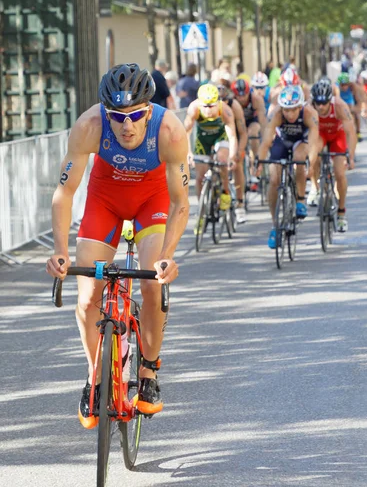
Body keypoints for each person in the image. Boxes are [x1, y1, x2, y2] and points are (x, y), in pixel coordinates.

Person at [46, 63, 190, 428]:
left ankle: (149, 371)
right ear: (104, 112)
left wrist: (168, 257)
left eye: (136, 115)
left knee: (152, 283)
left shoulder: (170, 130)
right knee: (86, 297)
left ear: (149, 109)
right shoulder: (89, 126)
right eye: (117, 116)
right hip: (105, 201)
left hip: (151, 201)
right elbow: (64, 193)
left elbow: (180, 203)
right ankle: (96, 375)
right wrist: (60, 250)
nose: (127, 125)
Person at [257, 85, 319, 249]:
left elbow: (313, 144)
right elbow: (266, 141)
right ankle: (275, 225)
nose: (290, 114)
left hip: (302, 140)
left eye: (293, 110)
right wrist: (259, 162)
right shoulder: (277, 114)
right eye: (286, 110)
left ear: (300, 106)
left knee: (299, 158)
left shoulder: (309, 113)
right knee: (274, 179)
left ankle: (300, 200)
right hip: (282, 140)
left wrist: (311, 164)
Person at [308, 78, 357, 232]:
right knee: (313, 155)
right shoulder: (309, 108)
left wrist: (351, 156)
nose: (321, 107)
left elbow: (351, 133)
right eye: (318, 103)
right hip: (320, 135)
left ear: (330, 100)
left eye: (324, 103)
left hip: (337, 135)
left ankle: (341, 213)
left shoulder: (340, 107)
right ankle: (315, 188)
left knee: (339, 173)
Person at [183, 83, 237, 214]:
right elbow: (186, 133)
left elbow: (232, 136)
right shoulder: (194, 108)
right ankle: (202, 210)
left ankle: (225, 192)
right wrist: (188, 153)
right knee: (200, 176)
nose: (207, 109)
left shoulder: (224, 110)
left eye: (211, 106)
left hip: (220, 137)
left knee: (222, 159)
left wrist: (232, 157)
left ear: (217, 102)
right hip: (203, 140)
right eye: (205, 106)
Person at [216, 77, 249, 223]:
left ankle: (240, 203)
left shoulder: (234, 105)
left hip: (233, 137)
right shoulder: (206, 105)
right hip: (216, 138)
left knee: (237, 164)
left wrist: (237, 152)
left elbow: (243, 133)